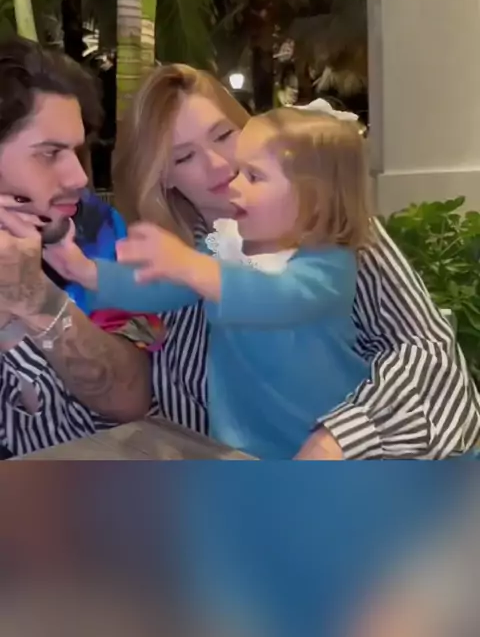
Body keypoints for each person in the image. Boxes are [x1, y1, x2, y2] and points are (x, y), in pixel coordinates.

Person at [109, 63, 480, 459]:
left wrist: (340, 437)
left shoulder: (325, 224)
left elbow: (426, 351)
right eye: (184, 157)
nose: (218, 164)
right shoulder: (175, 261)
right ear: (162, 177)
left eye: (224, 135)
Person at [48, 108, 376, 459]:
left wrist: (192, 266)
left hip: (318, 447)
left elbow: (277, 298)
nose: (233, 184)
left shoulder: (328, 265)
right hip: (239, 443)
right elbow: (161, 288)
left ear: (313, 200)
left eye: (253, 176)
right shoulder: (226, 245)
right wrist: (90, 273)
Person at [0, 37, 155, 458]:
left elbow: (129, 398)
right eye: (49, 154)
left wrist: (35, 299)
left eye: (76, 150)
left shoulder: (94, 229)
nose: (78, 178)